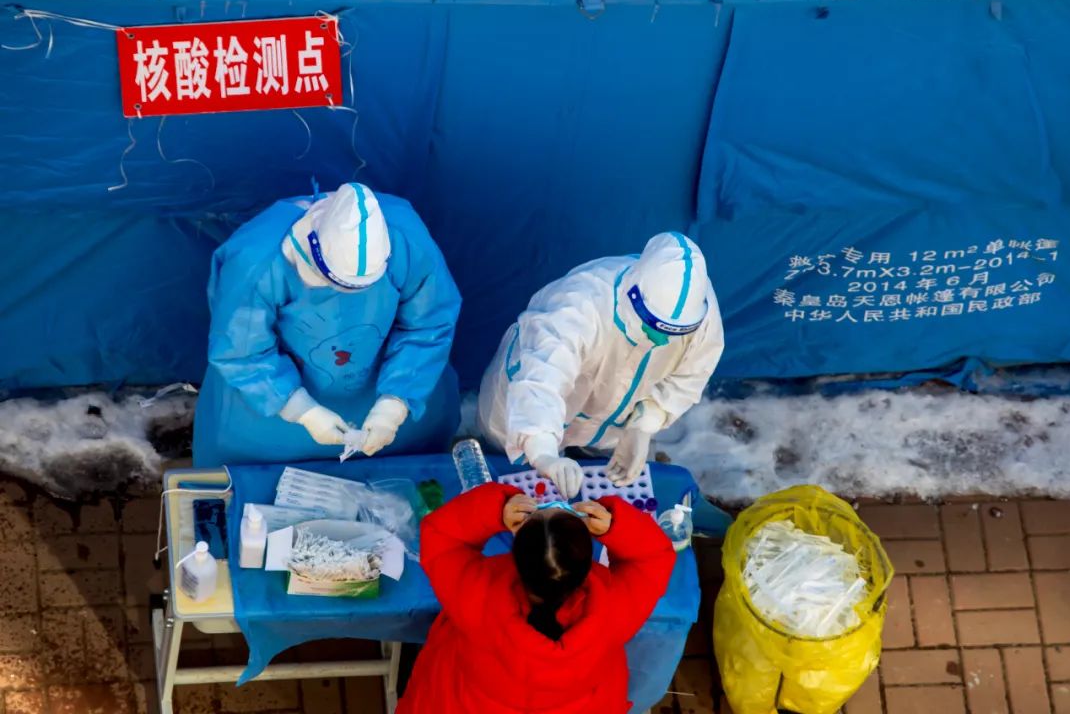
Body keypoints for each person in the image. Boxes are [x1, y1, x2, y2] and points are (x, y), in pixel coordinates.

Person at [193, 182, 461, 466]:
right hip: (268, 414)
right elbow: (242, 349)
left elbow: (429, 326)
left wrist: (393, 406)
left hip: (384, 384)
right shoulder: (258, 262)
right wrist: (303, 410)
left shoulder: (408, 242)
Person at [477, 232, 725, 498]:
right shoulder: (579, 303)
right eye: (652, 324)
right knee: (502, 478)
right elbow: (542, 376)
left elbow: (690, 375)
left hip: (611, 425)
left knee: (598, 474)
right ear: (633, 295)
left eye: (675, 333)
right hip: (526, 411)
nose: (661, 340)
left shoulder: (700, 314)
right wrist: (542, 451)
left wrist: (643, 424)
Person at [397, 482, 676, 713]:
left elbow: (441, 536)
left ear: (516, 552)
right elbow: (653, 558)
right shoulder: (614, 609)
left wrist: (496, 510)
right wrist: (617, 525)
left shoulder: (477, 593)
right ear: (585, 560)